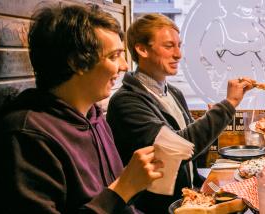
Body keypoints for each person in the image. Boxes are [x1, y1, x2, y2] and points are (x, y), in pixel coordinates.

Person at [0, 4, 164, 213]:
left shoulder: (94, 117)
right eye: (114, 56)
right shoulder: (25, 136)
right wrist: (123, 188)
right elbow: (117, 196)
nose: (125, 66)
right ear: (76, 62)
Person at [105, 13, 254, 213]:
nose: (178, 54)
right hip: (158, 209)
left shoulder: (173, 92)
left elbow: (192, 151)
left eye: (179, 45)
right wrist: (229, 104)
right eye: (168, 46)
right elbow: (175, 150)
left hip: (187, 198)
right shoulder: (126, 102)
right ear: (141, 49)